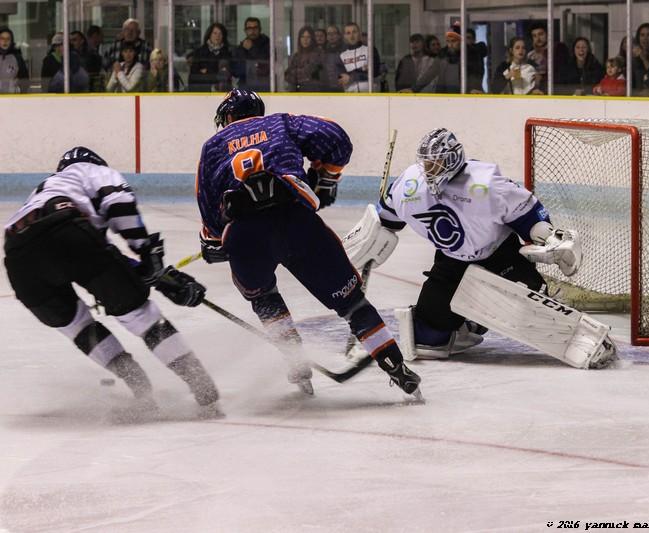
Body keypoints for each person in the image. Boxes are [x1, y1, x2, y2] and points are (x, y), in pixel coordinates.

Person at [195, 89, 422, 397]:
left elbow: (209, 211)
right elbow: (336, 138)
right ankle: (396, 366)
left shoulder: (212, 147)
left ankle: (296, 362)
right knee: (351, 302)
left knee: (264, 297)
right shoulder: (280, 123)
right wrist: (325, 177)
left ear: (229, 115)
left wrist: (213, 242)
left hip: (245, 236)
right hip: (296, 221)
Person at [350, 128, 614, 368]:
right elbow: (387, 220)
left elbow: (530, 217)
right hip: (451, 262)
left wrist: (549, 238)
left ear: (453, 159)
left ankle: (582, 333)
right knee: (427, 340)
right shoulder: (408, 185)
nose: (430, 170)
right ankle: (472, 321)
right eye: (427, 164)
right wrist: (371, 239)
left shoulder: (485, 183)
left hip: (500, 257)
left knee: (537, 314)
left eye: (436, 163)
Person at [3, 147, 219, 418]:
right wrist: (147, 255)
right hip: (68, 234)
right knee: (139, 315)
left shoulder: (45, 189)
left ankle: (140, 390)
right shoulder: (93, 171)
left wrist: (145, 271)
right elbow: (117, 205)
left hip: (19, 261)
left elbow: (97, 252)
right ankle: (202, 387)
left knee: (78, 327)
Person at [336, 22, 380, 92]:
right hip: (351, 95)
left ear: (359, 34)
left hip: (370, 94)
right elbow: (342, 78)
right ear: (345, 36)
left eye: (354, 32)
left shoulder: (370, 50)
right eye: (348, 33)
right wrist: (363, 69)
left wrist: (351, 77)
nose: (352, 36)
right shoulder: (341, 55)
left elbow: (374, 72)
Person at [188, 23, 233, 92]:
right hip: (203, 91)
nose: (217, 36)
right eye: (215, 33)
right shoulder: (199, 52)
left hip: (223, 91)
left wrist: (206, 72)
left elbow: (227, 74)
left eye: (220, 34)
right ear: (209, 35)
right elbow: (194, 76)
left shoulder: (227, 53)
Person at [232, 17, 270, 91]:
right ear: (245, 30)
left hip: (264, 87)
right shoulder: (240, 48)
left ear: (260, 29)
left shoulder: (268, 44)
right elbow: (236, 71)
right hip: (245, 87)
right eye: (249, 28)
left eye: (255, 28)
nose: (252, 31)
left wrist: (252, 49)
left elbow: (266, 65)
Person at [284, 26, 325, 92]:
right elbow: (287, 75)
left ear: (312, 39)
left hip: (314, 92)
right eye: (302, 37)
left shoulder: (319, 54)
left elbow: (310, 73)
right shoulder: (296, 56)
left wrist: (297, 73)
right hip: (298, 92)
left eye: (308, 37)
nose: (305, 40)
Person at [0, 27, 29, 93]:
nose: (5, 41)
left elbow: (25, 80)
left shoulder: (17, 58)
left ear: (11, 41)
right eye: (2, 38)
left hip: (12, 97)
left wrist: (20, 91)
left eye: (8, 39)